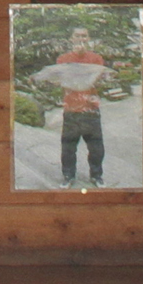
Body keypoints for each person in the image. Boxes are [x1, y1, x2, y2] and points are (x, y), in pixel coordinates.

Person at [54, 38, 110, 188]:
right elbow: (59, 80)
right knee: (68, 147)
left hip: (91, 111)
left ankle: (96, 176)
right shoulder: (63, 59)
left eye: (84, 36)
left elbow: (101, 81)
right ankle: (68, 176)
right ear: (72, 39)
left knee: (96, 148)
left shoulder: (96, 59)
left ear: (89, 38)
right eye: (77, 36)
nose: (81, 39)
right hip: (71, 111)